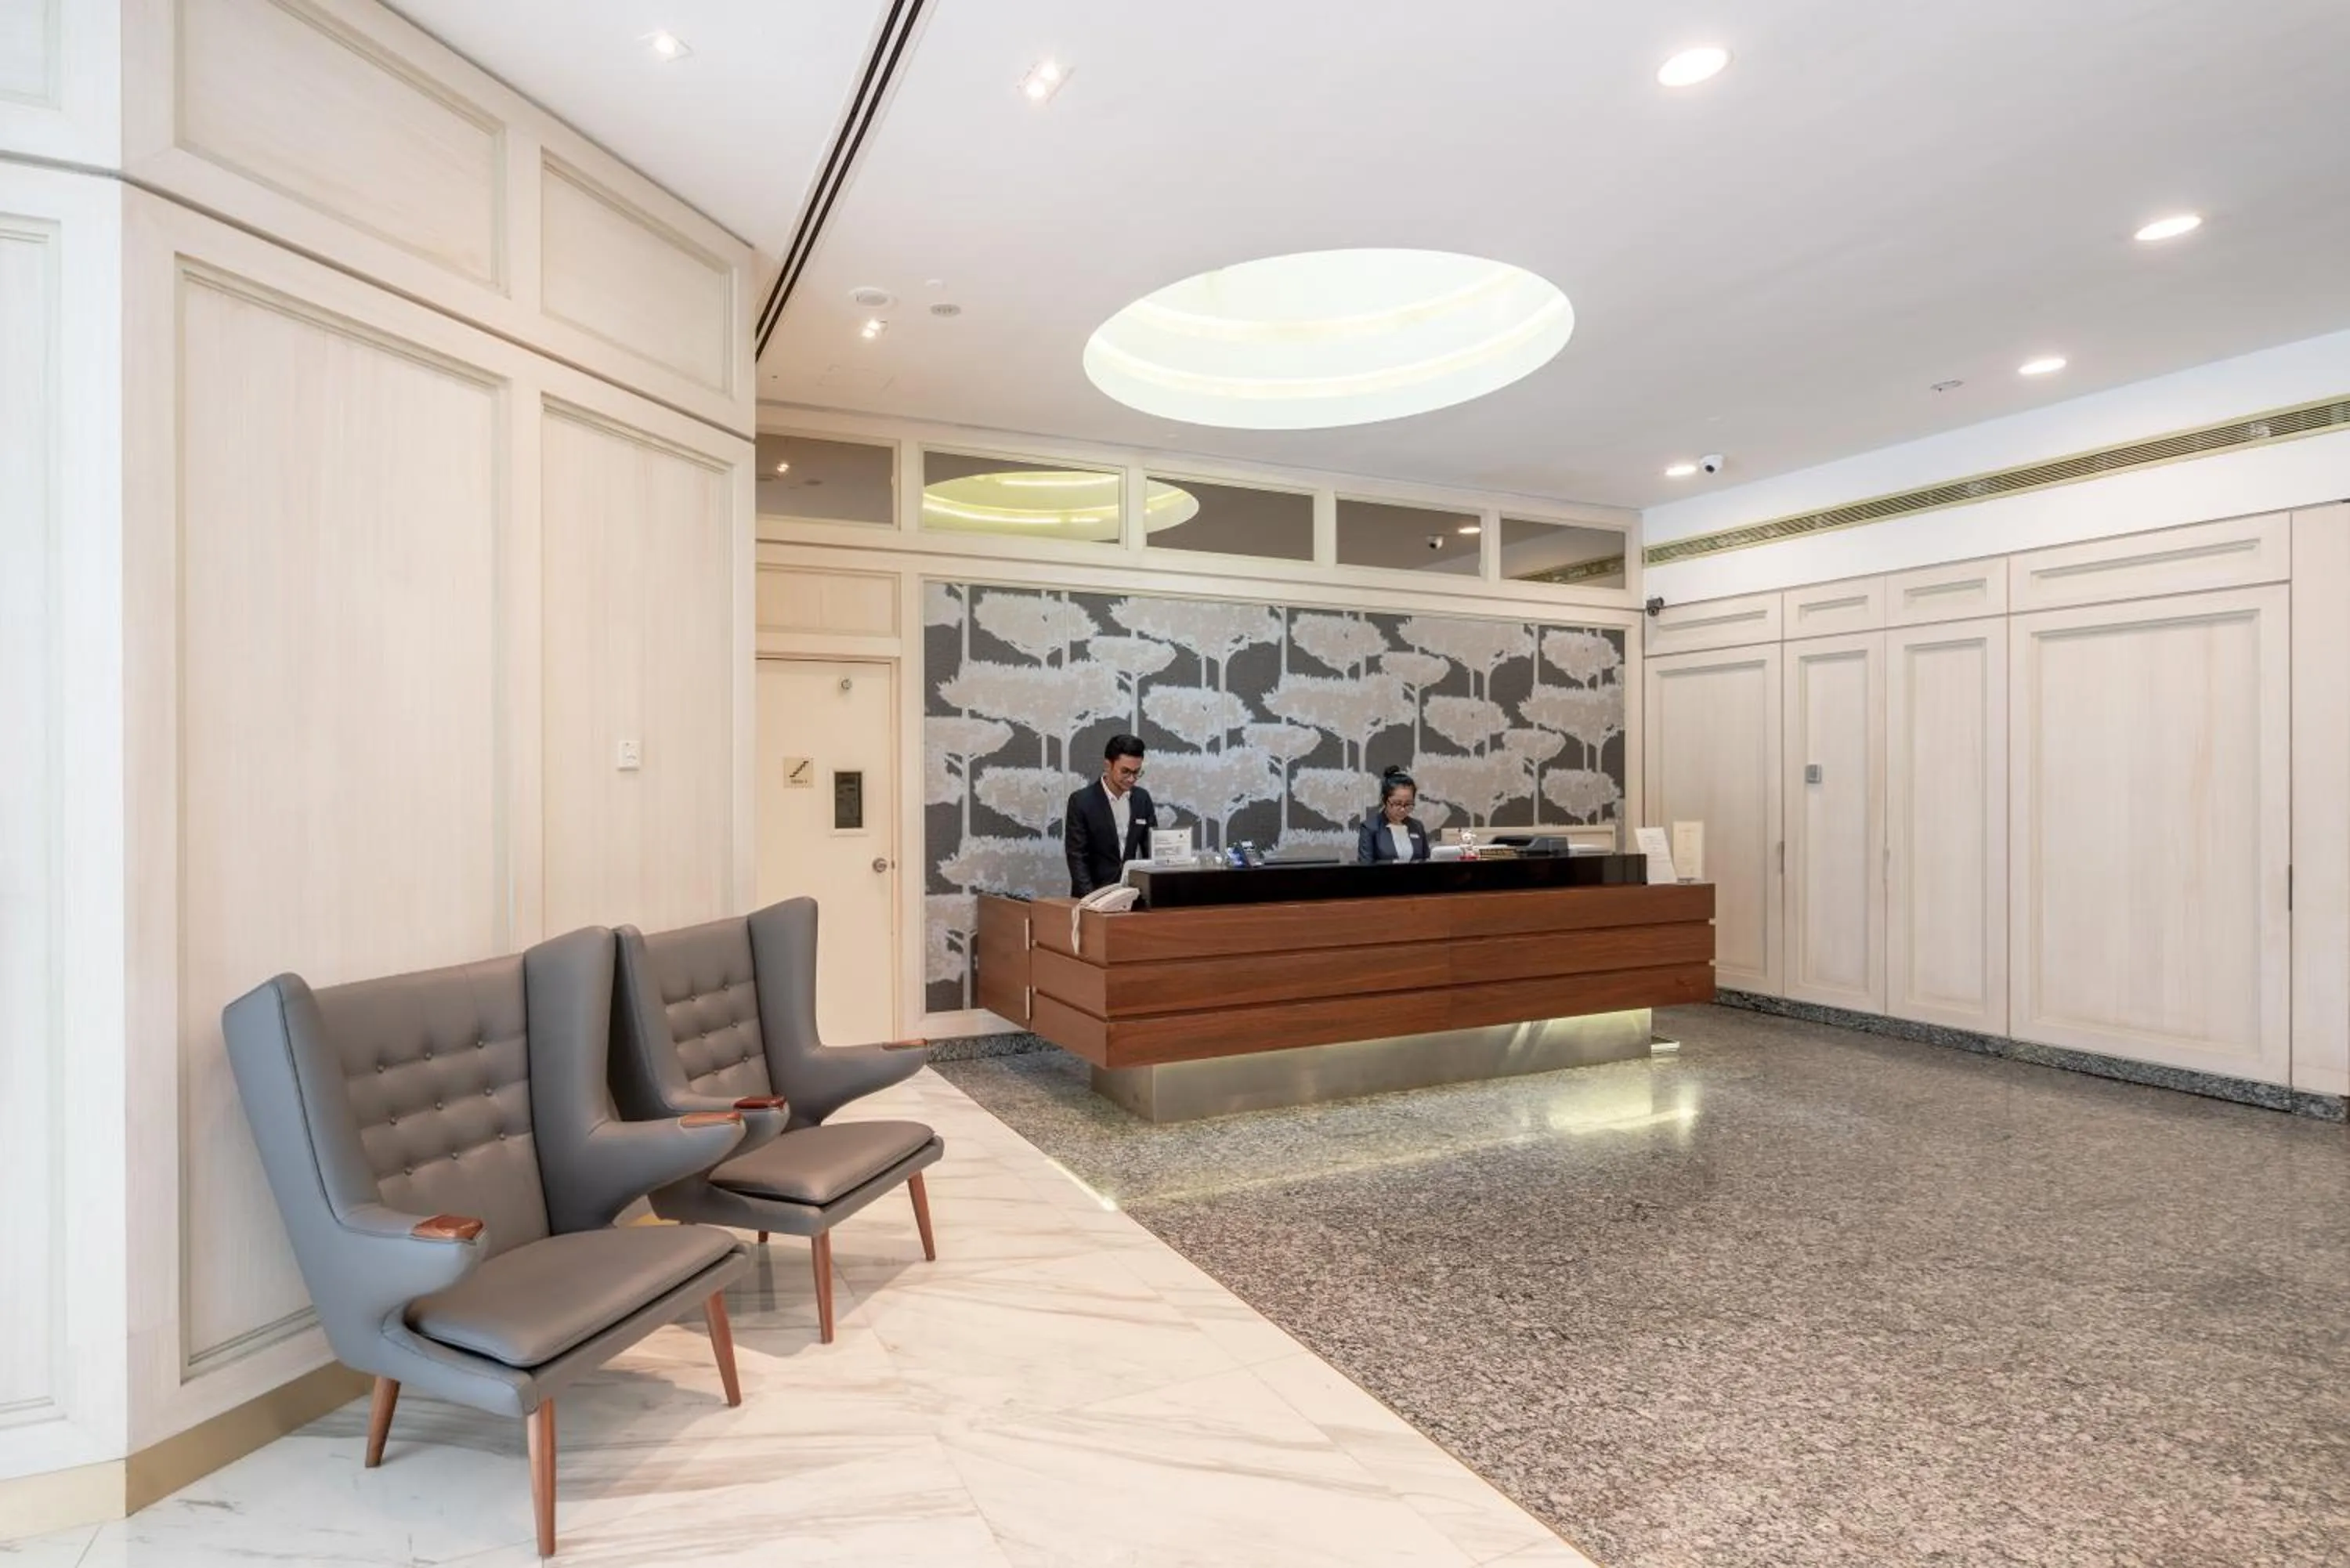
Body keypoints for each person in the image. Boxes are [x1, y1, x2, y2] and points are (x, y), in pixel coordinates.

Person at [1065, 734, 1157, 895]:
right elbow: (1077, 857)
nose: (1131, 779)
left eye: (1137, 773)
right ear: (1108, 765)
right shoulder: (1081, 801)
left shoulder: (1142, 799)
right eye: (1125, 772)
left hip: (1131, 895)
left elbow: (1151, 850)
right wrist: (1091, 900)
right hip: (1093, 895)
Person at [1358, 766, 1432, 863]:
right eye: (1397, 803)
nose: (1402, 809)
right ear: (1384, 800)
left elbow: (1426, 860)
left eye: (1408, 804)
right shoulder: (1370, 828)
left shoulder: (1417, 826)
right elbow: (1365, 865)